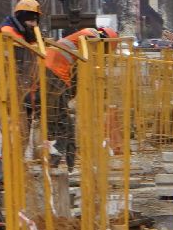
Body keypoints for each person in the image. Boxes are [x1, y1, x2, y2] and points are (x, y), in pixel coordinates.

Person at [39, 26, 118, 169]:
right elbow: (84, 67)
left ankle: (65, 162)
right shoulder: (92, 38)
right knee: (62, 122)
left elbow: (77, 71)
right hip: (55, 73)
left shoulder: (85, 35)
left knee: (61, 121)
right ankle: (58, 158)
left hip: (52, 71)